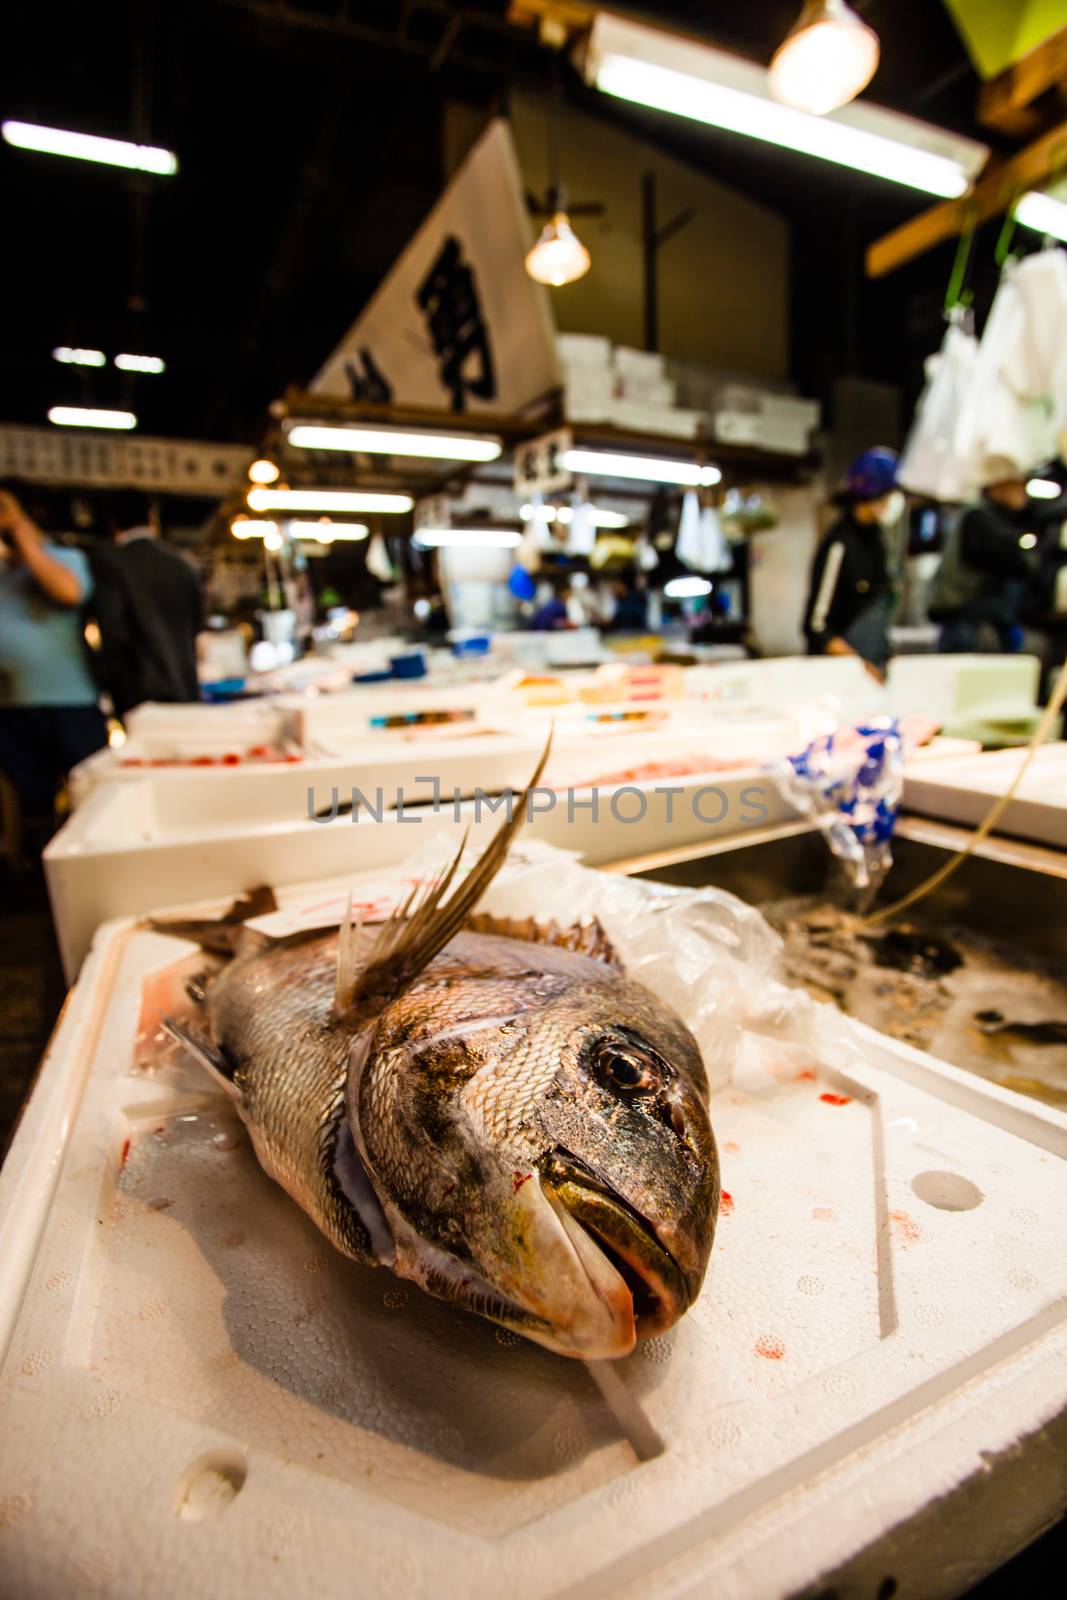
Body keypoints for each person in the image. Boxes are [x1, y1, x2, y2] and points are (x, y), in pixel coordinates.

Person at [0, 482, 107, 823]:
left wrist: (22, 534)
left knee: (91, 796)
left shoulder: (65, 560)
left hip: (69, 703)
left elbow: (69, 592)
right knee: (33, 807)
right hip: (11, 707)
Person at [92, 490, 204, 717]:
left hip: (137, 692)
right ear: (153, 518)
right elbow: (197, 626)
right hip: (185, 683)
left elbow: (112, 632)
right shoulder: (183, 564)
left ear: (111, 521)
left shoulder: (109, 563)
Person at [803, 447, 902, 682]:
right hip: (840, 679)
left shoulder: (877, 541)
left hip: (873, 671)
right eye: (889, 494)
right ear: (873, 496)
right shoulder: (839, 545)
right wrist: (860, 667)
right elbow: (816, 627)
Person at [928, 461, 1039, 653]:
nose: (1023, 491)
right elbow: (1018, 562)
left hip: (980, 624)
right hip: (971, 625)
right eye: (1017, 484)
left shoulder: (996, 520)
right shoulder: (981, 519)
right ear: (999, 486)